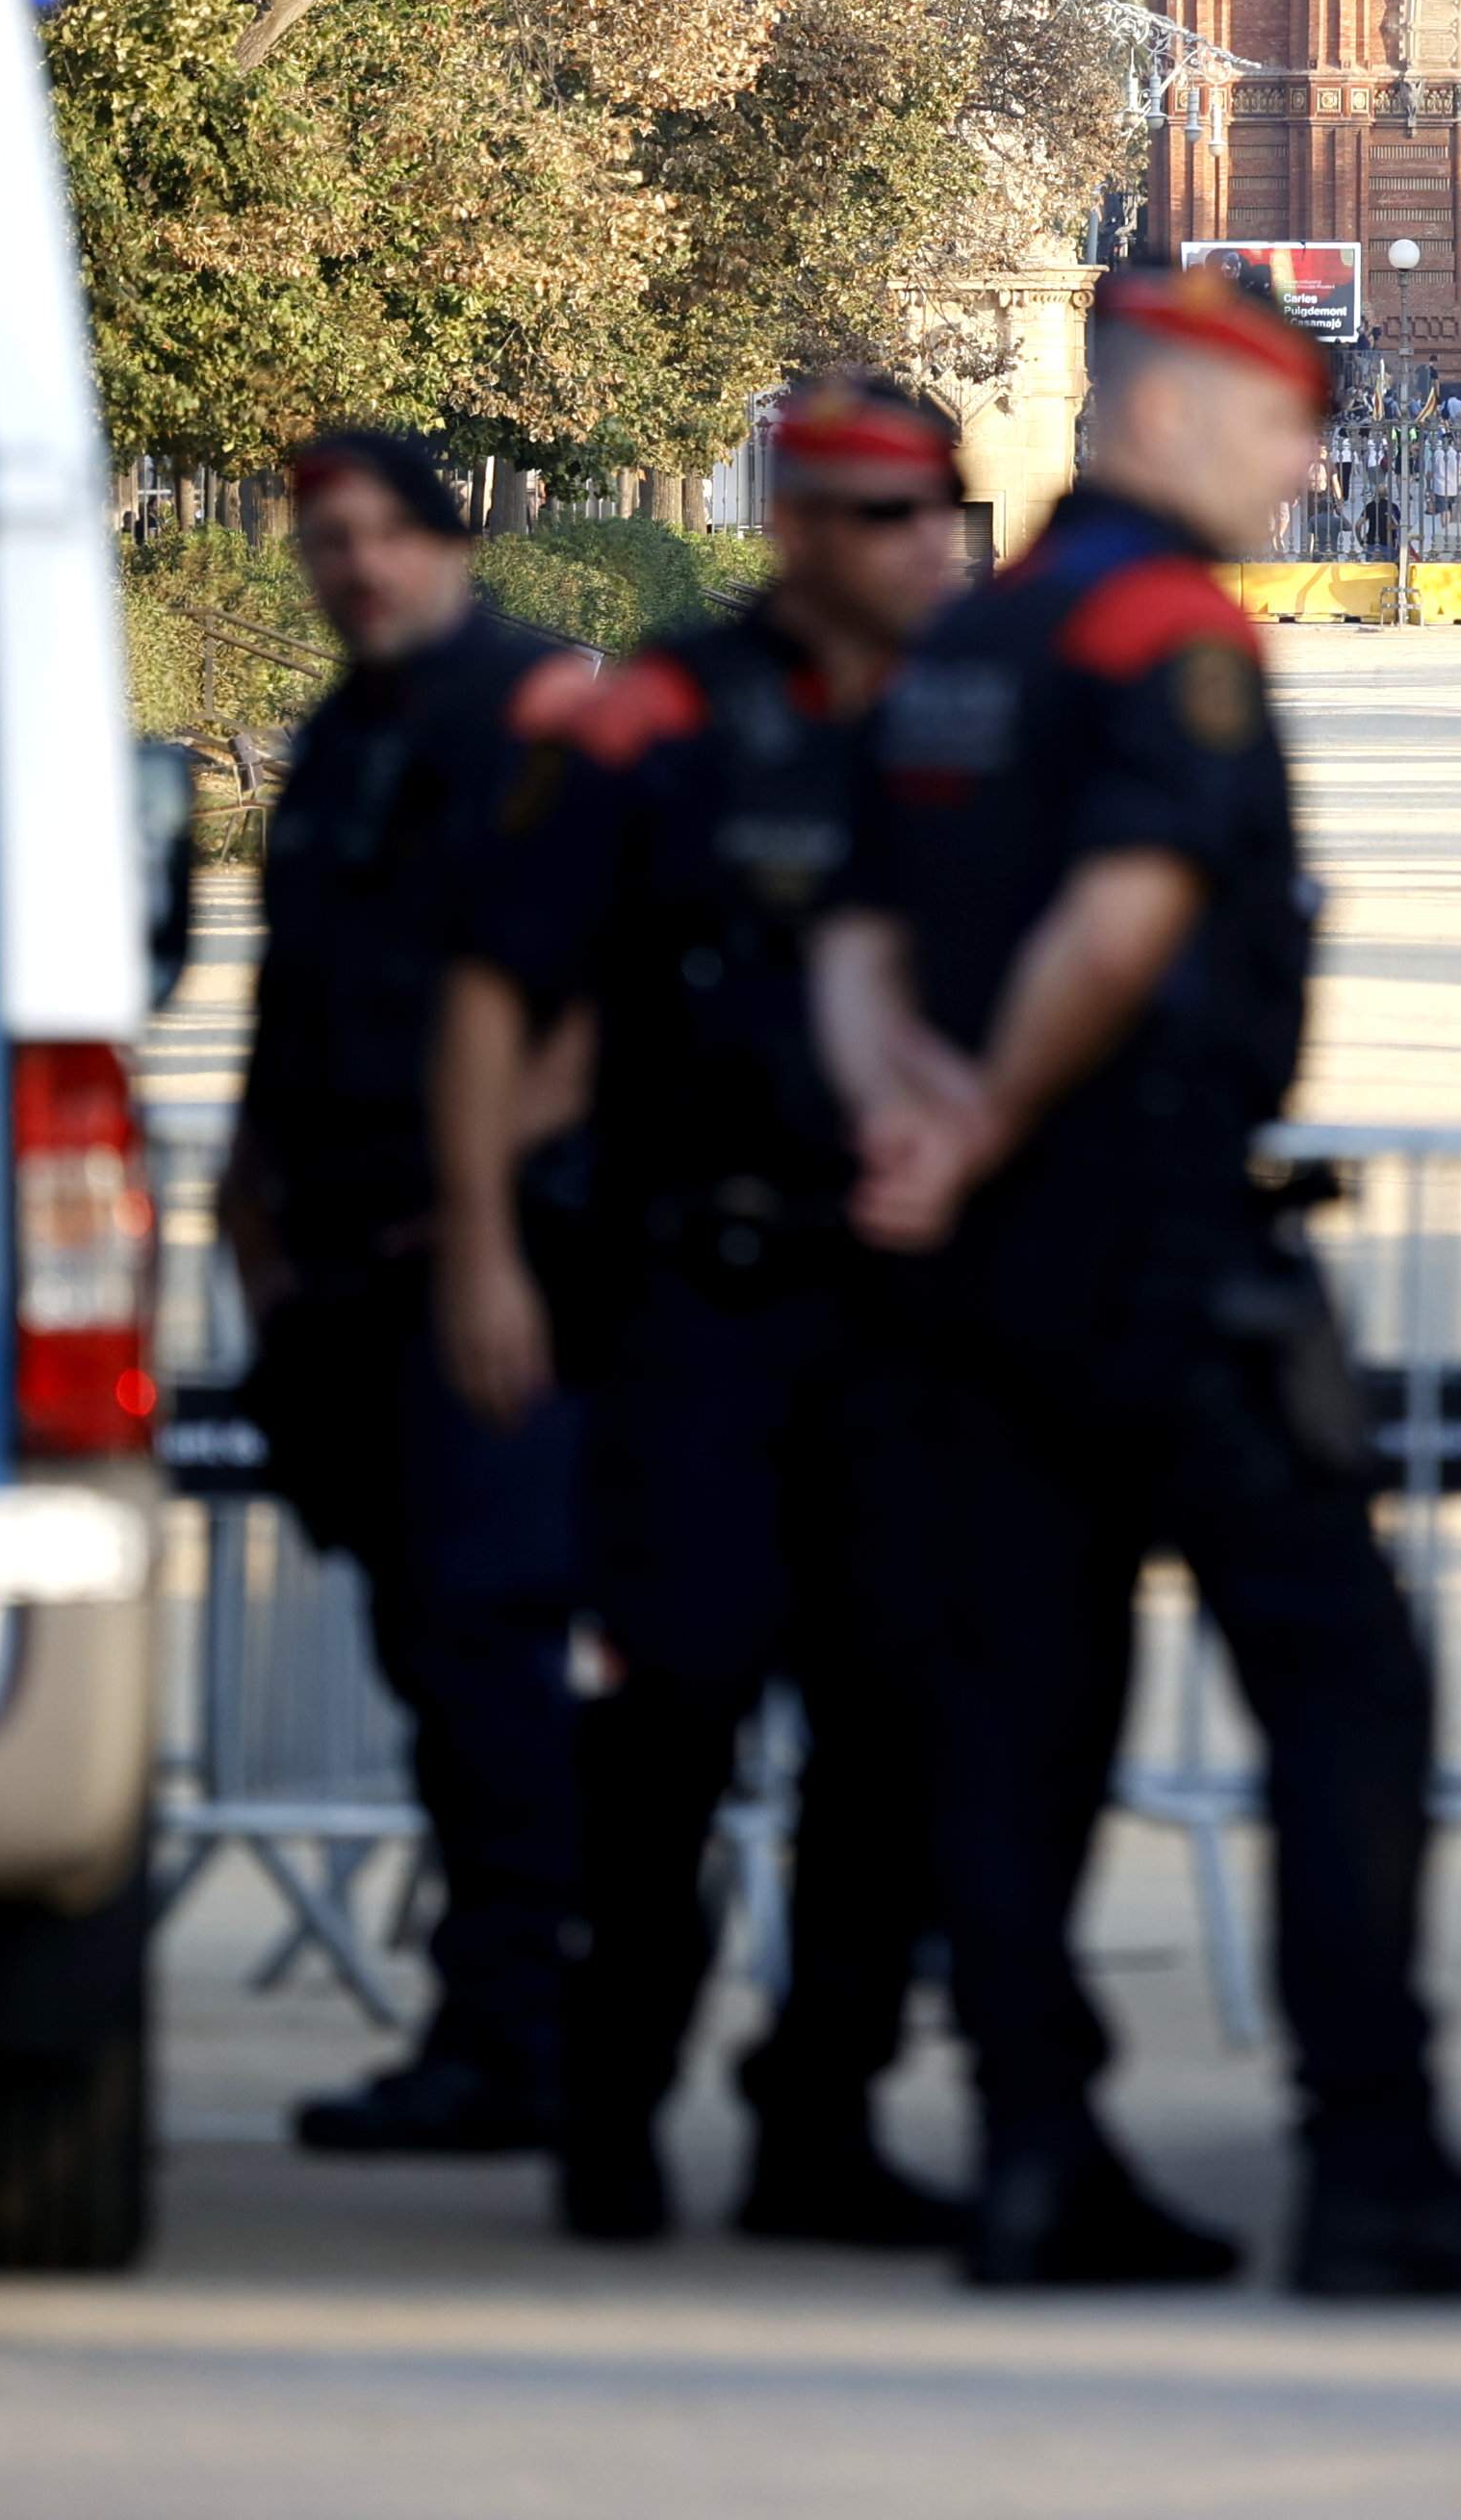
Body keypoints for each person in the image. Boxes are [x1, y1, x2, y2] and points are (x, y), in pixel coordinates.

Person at [814, 260, 1461, 2302]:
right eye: (1283, 428)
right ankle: (1372, 2159)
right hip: (1152, 1246)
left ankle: (1031, 2152)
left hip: (971, 1274)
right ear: (1170, 422)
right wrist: (990, 1116)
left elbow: (851, 942)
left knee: (1025, 1715)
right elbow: (1131, 908)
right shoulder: (1171, 643)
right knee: (1348, 1687)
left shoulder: (967, 645)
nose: (1310, 462)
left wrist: (910, 1118)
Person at [435, 374, 982, 2252]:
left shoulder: (959, 724)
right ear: (804, 530)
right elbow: (501, 996)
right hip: (694, 1308)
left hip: (894, 1318)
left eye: (943, 513)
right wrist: (486, 1253)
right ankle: (611, 2114)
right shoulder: (654, 722)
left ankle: (816, 2125)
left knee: (888, 1738)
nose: (931, 547)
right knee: (666, 1734)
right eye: (892, 517)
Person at [217, 425, 586, 2158]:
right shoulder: (347, 734)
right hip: (347, 1271)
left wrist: (484, 1228)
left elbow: (583, 1012)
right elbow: (296, 995)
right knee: (430, 1654)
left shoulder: (523, 716)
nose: (350, 566)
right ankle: (500, 2027)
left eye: (377, 535)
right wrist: (248, 1214)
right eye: (323, 540)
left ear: (444, 542)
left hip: (479, 1272)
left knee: (488, 1650)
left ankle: (525, 2037)